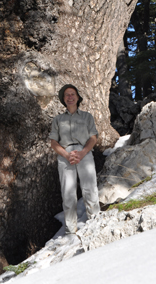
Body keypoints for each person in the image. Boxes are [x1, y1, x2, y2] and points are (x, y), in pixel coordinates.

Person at [48, 84, 100, 235]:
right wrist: (66, 155)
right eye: (66, 95)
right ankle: (70, 230)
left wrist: (83, 152)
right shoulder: (57, 119)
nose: (70, 97)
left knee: (90, 188)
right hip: (65, 155)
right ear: (63, 99)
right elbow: (53, 142)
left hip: (84, 152)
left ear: (78, 97)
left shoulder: (87, 116)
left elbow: (93, 137)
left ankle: (95, 223)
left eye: (72, 94)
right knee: (68, 193)